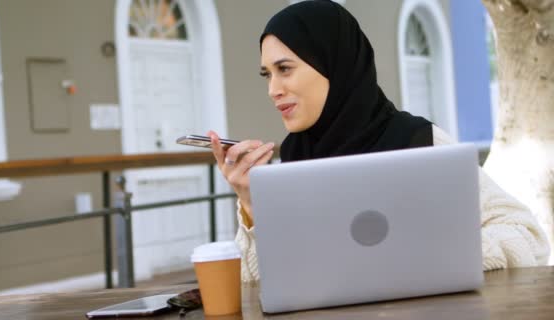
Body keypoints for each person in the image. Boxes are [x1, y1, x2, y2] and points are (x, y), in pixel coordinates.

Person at [208, 0, 550, 283]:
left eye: (285, 69)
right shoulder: (296, 157)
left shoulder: (418, 141)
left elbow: (528, 238)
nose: (273, 89)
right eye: (267, 74)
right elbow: (263, 282)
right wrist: (252, 203)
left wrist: (433, 257)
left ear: (333, 63)